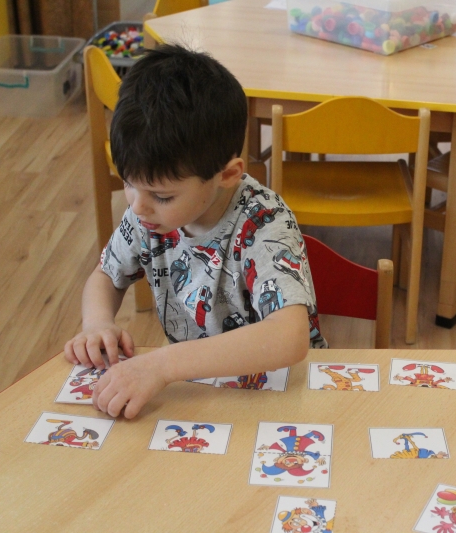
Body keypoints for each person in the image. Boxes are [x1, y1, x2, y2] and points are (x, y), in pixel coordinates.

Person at [64, 44, 325, 419]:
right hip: (202, 390)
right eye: (129, 184)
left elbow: (289, 337)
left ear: (227, 174)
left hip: (283, 392)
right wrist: (97, 323)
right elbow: (106, 275)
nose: (137, 206)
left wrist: (162, 365)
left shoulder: (263, 222)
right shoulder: (148, 213)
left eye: (162, 195)